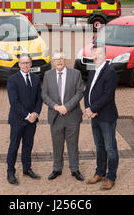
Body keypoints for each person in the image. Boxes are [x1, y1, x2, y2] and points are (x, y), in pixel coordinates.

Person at [41, 49, 84, 181]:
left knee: (73, 144)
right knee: (57, 143)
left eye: (61, 58)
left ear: (65, 61)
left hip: (72, 116)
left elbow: (79, 92)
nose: (59, 61)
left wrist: (67, 106)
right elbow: (44, 95)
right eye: (56, 59)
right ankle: (57, 168)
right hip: (55, 116)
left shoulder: (75, 74)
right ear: (53, 62)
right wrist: (56, 106)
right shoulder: (48, 75)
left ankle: (75, 169)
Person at [84, 44, 119, 190]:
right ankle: (100, 172)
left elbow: (107, 96)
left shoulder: (110, 72)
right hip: (95, 116)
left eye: (99, 53)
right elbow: (87, 92)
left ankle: (111, 177)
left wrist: (93, 108)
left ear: (105, 54)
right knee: (99, 146)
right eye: (94, 54)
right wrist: (87, 108)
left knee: (110, 147)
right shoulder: (92, 71)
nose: (96, 56)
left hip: (107, 116)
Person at [6, 53, 42, 185]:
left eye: (28, 62)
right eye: (23, 63)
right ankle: (10, 172)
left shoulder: (36, 78)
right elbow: (14, 102)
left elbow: (39, 98)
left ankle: (27, 169)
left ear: (31, 64)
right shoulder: (12, 80)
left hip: (32, 121)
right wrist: (28, 116)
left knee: (28, 145)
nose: (25, 65)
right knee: (14, 146)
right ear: (19, 64)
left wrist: (36, 113)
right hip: (18, 120)